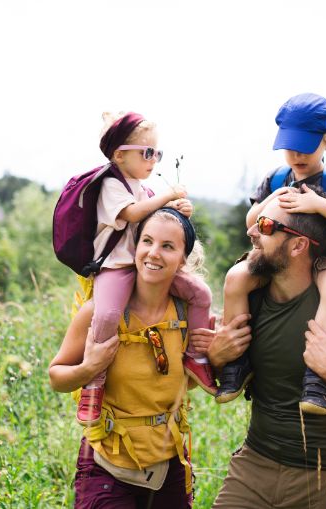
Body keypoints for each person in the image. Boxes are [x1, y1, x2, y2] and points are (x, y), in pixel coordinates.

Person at [193, 195, 326, 508]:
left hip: (323, 479)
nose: (252, 233)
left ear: (298, 245)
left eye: (265, 225)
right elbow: (222, 380)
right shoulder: (251, 303)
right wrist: (218, 356)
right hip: (253, 466)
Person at [49, 208, 209, 508]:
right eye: (147, 241)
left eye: (167, 246)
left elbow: (188, 383)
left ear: (183, 259)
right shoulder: (100, 313)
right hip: (105, 462)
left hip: (168, 462)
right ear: (134, 247)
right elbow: (56, 377)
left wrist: (219, 353)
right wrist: (90, 368)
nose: (153, 253)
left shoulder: (187, 314)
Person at [217, 93, 326, 416]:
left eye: (306, 146)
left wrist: (317, 204)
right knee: (236, 278)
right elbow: (250, 221)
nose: (296, 154)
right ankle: (237, 361)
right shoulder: (277, 179)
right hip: (279, 255)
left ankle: (317, 376)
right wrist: (270, 199)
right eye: (290, 146)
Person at [77, 112, 217, 427]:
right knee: (108, 314)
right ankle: (94, 382)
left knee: (199, 293)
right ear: (119, 154)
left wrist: (178, 210)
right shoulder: (112, 184)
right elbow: (133, 213)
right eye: (147, 152)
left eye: (157, 153)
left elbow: (157, 219)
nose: (154, 159)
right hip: (117, 265)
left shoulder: (142, 187)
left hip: (145, 265)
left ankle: (196, 356)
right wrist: (168, 195)